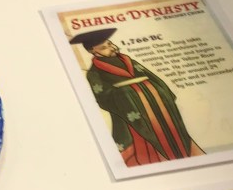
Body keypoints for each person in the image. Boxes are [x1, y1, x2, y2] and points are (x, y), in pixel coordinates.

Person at [70, 28, 205, 167]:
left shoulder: (129, 61)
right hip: (132, 112)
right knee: (147, 139)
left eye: (110, 44)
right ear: (93, 51)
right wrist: (127, 94)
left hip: (158, 105)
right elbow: (103, 98)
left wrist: (161, 92)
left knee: (172, 131)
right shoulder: (94, 73)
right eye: (104, 47)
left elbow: (152, 78)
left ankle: (183, 154)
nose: (112, 48)